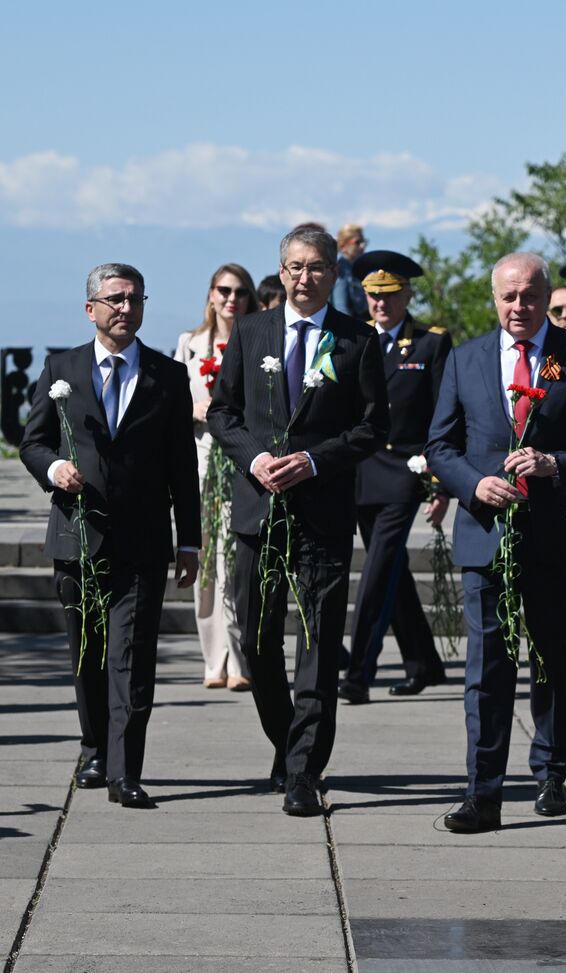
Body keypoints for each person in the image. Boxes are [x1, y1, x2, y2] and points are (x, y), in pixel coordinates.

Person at [207, 225, 389, 817]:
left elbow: (371, 428)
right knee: (258, 641)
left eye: (315, 267)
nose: (303, 277)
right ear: (280, 272)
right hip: (259, 514)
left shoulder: (357, 340)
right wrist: (256, 458)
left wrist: (313, 460)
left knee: (315, 643)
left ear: (333, 275)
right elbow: (222, 412)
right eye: (293, 266)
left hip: (322, 512)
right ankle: (286, 741)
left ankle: (306, 770)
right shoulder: (252, 330)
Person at [426, 252, 566, 833]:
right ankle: (483, 791)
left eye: (529, 296)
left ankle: (553, 772)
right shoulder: (465, 360)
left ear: (546, 296)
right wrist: (473, 485)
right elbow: (440, 446)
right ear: (494, 299)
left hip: (553, 535)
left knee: (554, 659)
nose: (519, 307)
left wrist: (557, 463)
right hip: (486, 537)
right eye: (508, 297)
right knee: (487, 668)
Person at [20, 263, 201, 809]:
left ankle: (126, 771)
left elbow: (181, 467)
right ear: (91, 308)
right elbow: (34, 442)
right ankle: (94, 748)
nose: (126, 308)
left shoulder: (167, 376)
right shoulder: (62, 368)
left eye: (136, 299)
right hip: (77, 537)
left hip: (142, 541)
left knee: (132, 654)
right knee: (88, 653)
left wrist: (188, 540)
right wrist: (54, 471)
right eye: (116, 299)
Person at [337, 251, 451, 705]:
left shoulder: (430, 344)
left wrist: (439, 482)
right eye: (372, 296)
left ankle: (359, 671)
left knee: (378, 567)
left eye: (390, 296)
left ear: (407, 295)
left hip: (405, 469)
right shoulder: (351, 340)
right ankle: (423, 661)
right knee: (393, 572)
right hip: (361, 469)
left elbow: (443, 415)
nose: (380, 305)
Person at [175, 263, 257, 692]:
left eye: (240, 292)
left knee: (238, 565)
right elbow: (170, 401)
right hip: (203, 459)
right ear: (210, 295)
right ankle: (214, 658)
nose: (231, 299)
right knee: (205, 560)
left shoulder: (261, 338)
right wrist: (194, 410)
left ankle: (241, 657)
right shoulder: (190, 344)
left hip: (243, 461)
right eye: (224, 290)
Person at [332, 224, 369, 320]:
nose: (362, 246)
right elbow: (341, 308)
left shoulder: (360, 269)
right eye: (357, 242)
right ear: (343, 246)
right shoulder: (341, 271)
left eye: (363, 242)